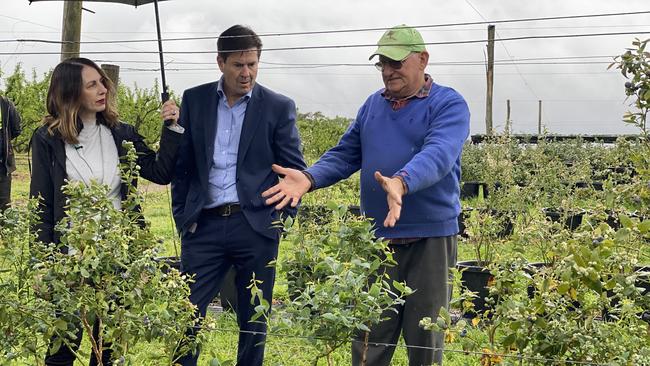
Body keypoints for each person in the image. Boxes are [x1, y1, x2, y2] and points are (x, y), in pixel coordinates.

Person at [263, 25, 470, 366]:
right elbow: (346, 153)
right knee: (369, 337)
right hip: (376, 242)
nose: (388, 71)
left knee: (426, 341)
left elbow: (439, 153)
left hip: (431, 239)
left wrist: (401, 182)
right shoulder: (373, 106)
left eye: (396, 63)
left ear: (422, 60)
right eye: (382, 63)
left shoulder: (448, 104)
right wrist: (309, 178)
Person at [30, 57, 183, 366]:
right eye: (92, 85)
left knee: (109, 350)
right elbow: (41, 205)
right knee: (62, 349)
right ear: (71, 93)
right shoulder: (47, 140)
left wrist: (171, 127)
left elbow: (160, 171)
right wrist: (42, 263)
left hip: (116, 256)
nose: (103, 90)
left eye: (103, 82)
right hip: (70, 259)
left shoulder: (120, 133)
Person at [171, 25, 306, 366]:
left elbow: (294, 171)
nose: (246, 73)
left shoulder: (278, 107)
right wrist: (183, 217)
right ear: (220, 62)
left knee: (254, 321)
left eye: (252, 64)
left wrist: (277, 220)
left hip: (256, 228)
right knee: (186, 317)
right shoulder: (196, 100)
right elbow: (182, 168)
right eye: (238, 65)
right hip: (204, 226)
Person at [0, 94, 22, 213]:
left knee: (4, 206)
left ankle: (4, 231)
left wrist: (5, 140)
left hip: (3, 165)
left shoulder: (6, 105)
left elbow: (16, 129)